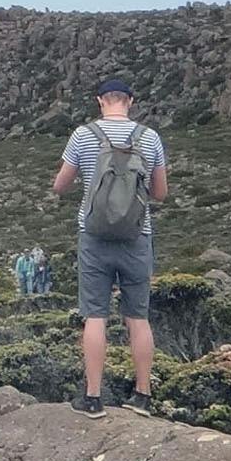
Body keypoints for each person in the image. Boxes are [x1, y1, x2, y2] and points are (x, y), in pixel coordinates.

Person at [52, 76, 168, 416]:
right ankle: (143, 396)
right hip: (136, 236)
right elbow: (160, 194)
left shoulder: (83, 135)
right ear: (130, 101)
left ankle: (92, 398)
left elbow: (60, 186)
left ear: (99, 100)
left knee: (95, 316)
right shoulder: (150, 138)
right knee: (138, 317)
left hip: (94, 237)